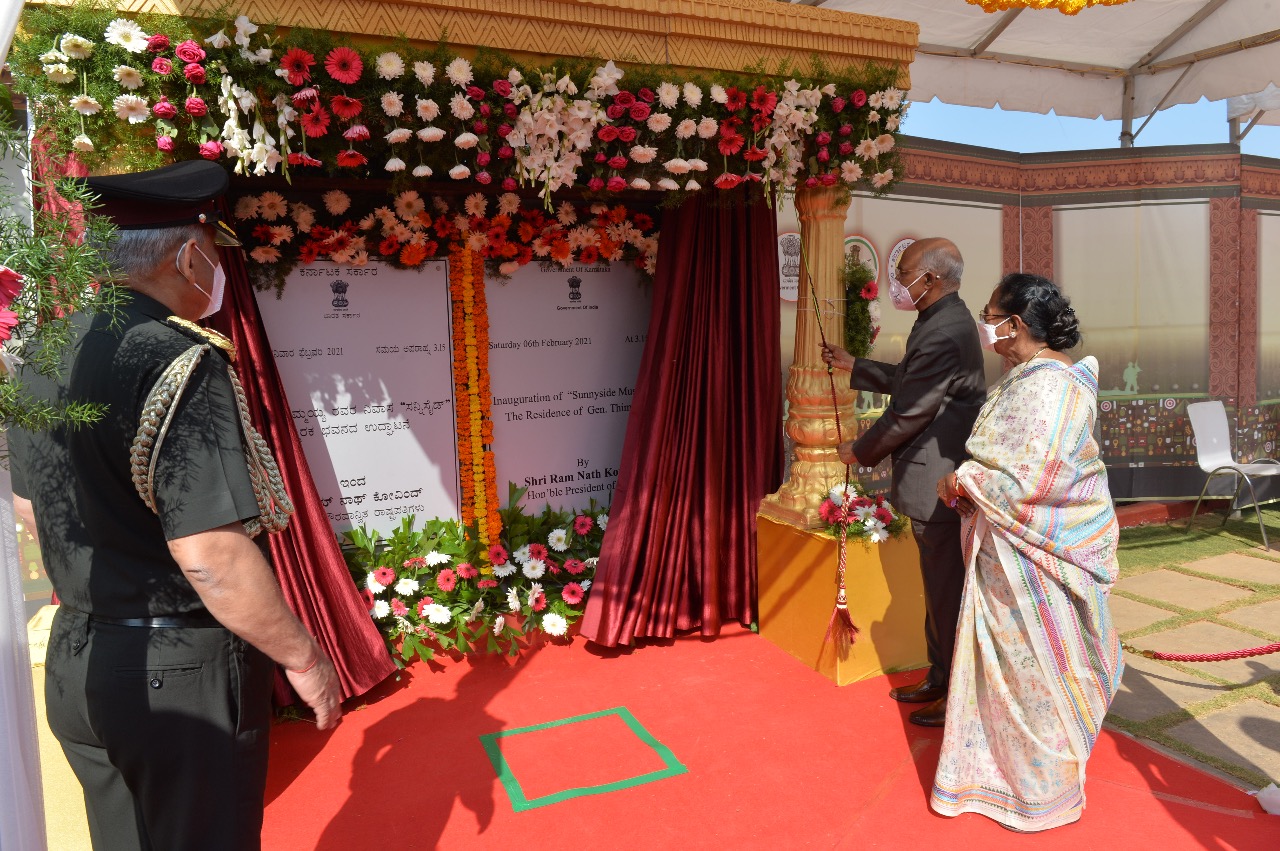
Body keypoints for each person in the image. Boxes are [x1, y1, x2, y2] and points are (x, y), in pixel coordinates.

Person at [11, 160, 342, 850]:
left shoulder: (44, 349)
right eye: (214, 248)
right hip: (175, 673)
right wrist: (305, 659)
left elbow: (29, 507)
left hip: (81, 653)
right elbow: (213, 556)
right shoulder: (176, 357)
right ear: (190, 254)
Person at [931, 273, 1121, 832]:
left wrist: (962, 482)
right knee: (1006, 672)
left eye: (991, 314)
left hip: (1035, 560)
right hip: (1006, 553)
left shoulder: (1049, 386)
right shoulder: (1028, 378)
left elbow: (1032, 480)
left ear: (1014, 324)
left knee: (1032, 674)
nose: (987, 324)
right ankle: (993, 774)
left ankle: (1040, 790)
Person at [821, 237, 986, 727]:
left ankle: (957, 692)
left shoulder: (944, 329)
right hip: (932, 475)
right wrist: (857, 366)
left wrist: (861, 450)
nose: (900, 283)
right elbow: (916, 381)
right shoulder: (940, 320)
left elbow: (912, 409)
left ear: (931, 279)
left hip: (936, 479)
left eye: (906, 274)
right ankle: (940, 676)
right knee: (936, 589)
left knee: (945, 590)